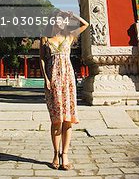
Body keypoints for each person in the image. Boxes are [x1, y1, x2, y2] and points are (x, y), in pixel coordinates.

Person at [39, 9, 89, 170]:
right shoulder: (45, 38)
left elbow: (85, 24)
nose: (59, 23)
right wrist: (46, 78)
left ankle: (65, 155)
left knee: (68, 119)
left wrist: (72, 15)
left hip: (68, 81)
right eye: (57, 20)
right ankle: (55, 153)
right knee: (56, 120)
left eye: (62, 21)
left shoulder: (70, 35)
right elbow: (41, 59)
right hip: (53, 80)